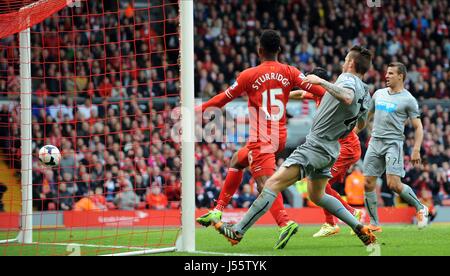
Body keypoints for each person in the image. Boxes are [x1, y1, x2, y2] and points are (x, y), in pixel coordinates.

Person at [214, 45, 376, 247]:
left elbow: (347, 96)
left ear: (351, 63)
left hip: (315, 146)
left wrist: (321, 81)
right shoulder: (367, 93)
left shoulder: (347, 79)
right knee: (318, 195)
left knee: (271, 185)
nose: (343, 63)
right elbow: (361, 124)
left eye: (345, 60)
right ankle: (359, 226)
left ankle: (237, 231)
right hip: (331, 149)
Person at [196, 29, 327, 249]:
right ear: (279, 50)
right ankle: (218, 210)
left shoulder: (248, 75)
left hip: (262, 137)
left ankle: (285, 223)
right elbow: (320, 91)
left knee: (265, 185)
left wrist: (199, 108)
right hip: (280, 136)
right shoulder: (290, 71)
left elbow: (222, 99)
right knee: (237, 160)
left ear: (259, 50)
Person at [290, 67, 363, 238]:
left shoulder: (329, 95)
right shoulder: (317, 94)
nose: (305, 85)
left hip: (346, 148)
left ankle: (345, 217)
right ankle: (336, 220)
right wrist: (279, 95)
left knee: (319, 185)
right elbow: (300, 94)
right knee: (320, 184)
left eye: (308, 81)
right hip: (339, 147)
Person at [363, 62, 427, 232]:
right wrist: (354, 130)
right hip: (375, 142)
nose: (387, 76)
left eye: (391, 73)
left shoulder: (408, 100)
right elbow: (365, 117)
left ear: (401, 76)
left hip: (393, 144)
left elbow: (418, 127)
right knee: (368, 183)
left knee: (394, 184)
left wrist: (416, 149)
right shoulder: (378, 94)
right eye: (387, 73)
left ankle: (420, 207)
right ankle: (375, 223)